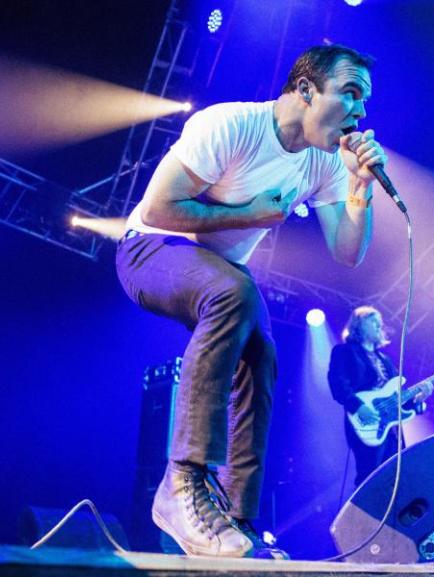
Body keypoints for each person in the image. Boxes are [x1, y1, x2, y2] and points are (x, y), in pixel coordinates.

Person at [115, 44, 387, 558]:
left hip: (220, 273)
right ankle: (181, 486)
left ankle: (233, 522)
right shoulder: (232, 124)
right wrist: (249, 214)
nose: (360, 111)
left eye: (365, 100)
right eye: (350, 93)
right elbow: (159, 207)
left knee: (262, 354)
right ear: (306, 91)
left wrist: (359, 186)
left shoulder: (325, 163)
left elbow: (347, 253)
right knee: (236, 293)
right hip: (147, 249)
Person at [328, 306, 427, 486]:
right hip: (365, 419)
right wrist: (358, 406)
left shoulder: (385, 360)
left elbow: (398, 397)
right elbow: (338, 384)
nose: (378, 324)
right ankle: (360, 514)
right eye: (373, 320)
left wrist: (418, 400)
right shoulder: (344, 351)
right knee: (369, 478)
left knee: (393, 480)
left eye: (379, 322)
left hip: (391, 428)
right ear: (358, 325)